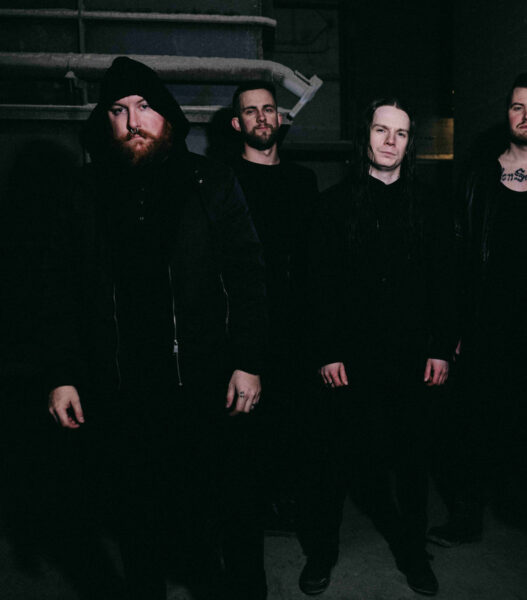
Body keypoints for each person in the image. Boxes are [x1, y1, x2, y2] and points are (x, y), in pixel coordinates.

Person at [43, 56, 269, 600]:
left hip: (207, 383)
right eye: (118, 110)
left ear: (166, 114)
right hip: (124, 390)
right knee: (136, 518)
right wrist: (62, 374)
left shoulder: (209, 180)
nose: (132, 122)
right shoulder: (84, 190)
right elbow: (59, 290)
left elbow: (247, 274)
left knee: (230, 512)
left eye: (144, 107)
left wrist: (248, 360)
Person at [300, 97, 457, 596]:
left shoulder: (430, 205)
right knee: (333, 461)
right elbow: (316, 286)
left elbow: (447, 283)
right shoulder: (331, 205)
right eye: (381, 130)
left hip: (412, 359)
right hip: (348, 360)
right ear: (364, 135)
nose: (391, 141)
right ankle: (321, 553)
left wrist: (440, 348)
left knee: (412, 464)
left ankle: (413, 555)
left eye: (401, 133)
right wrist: (327, 351)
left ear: (410, 143)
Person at [427, 73, 527, 546]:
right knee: (470, 429)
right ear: (506, 112)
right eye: (518, 107)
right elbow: (454, 259)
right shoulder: (478, 176)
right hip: (484, 327)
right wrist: (451, 327)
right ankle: (466, 517)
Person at [230, 81, 319, 533]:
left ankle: (289, 501)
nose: (262, 117)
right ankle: (252, 506)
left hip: (295, 324)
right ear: (236, 123)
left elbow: (315, 259)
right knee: (246, 423)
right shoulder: (222, 181)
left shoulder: (303, 181)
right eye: (251, 111)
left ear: (280, 119)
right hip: (243, 323)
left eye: (269, 109)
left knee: (295, 419)